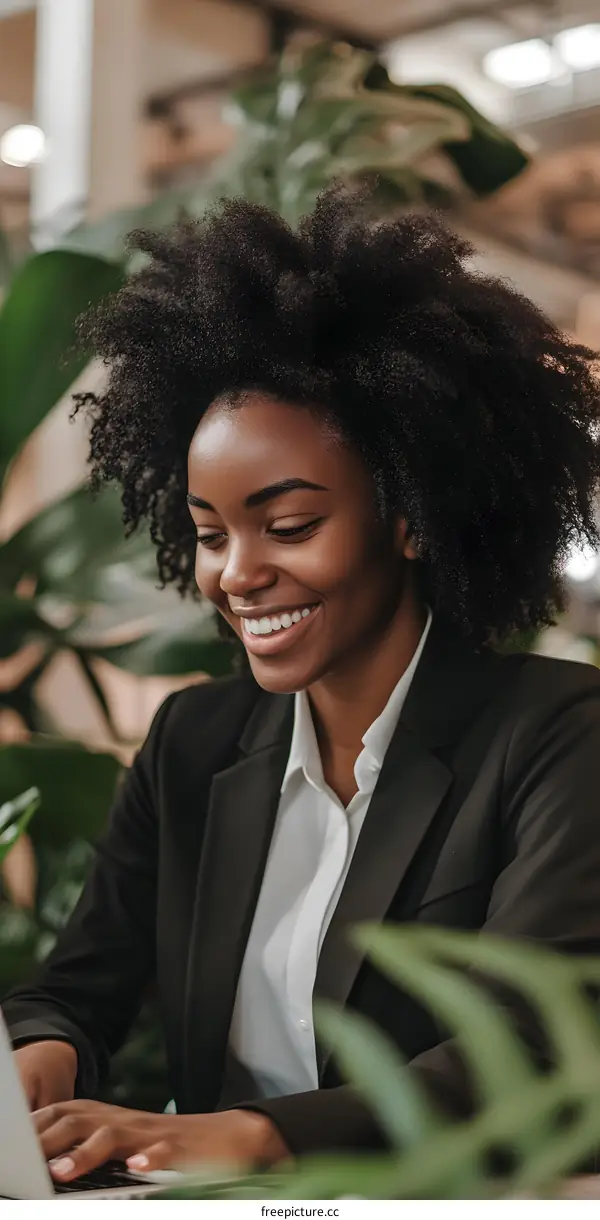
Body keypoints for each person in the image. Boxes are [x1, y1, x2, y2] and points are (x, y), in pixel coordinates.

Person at [3, 189, 600, 1183]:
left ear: (408, 517)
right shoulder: (194, 740)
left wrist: (263, 1134)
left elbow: (533, 1048)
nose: (236, 572)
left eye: (286, 525)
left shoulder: (554, 737)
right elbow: (79, 981)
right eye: (208, 532)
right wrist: (42, 1058)